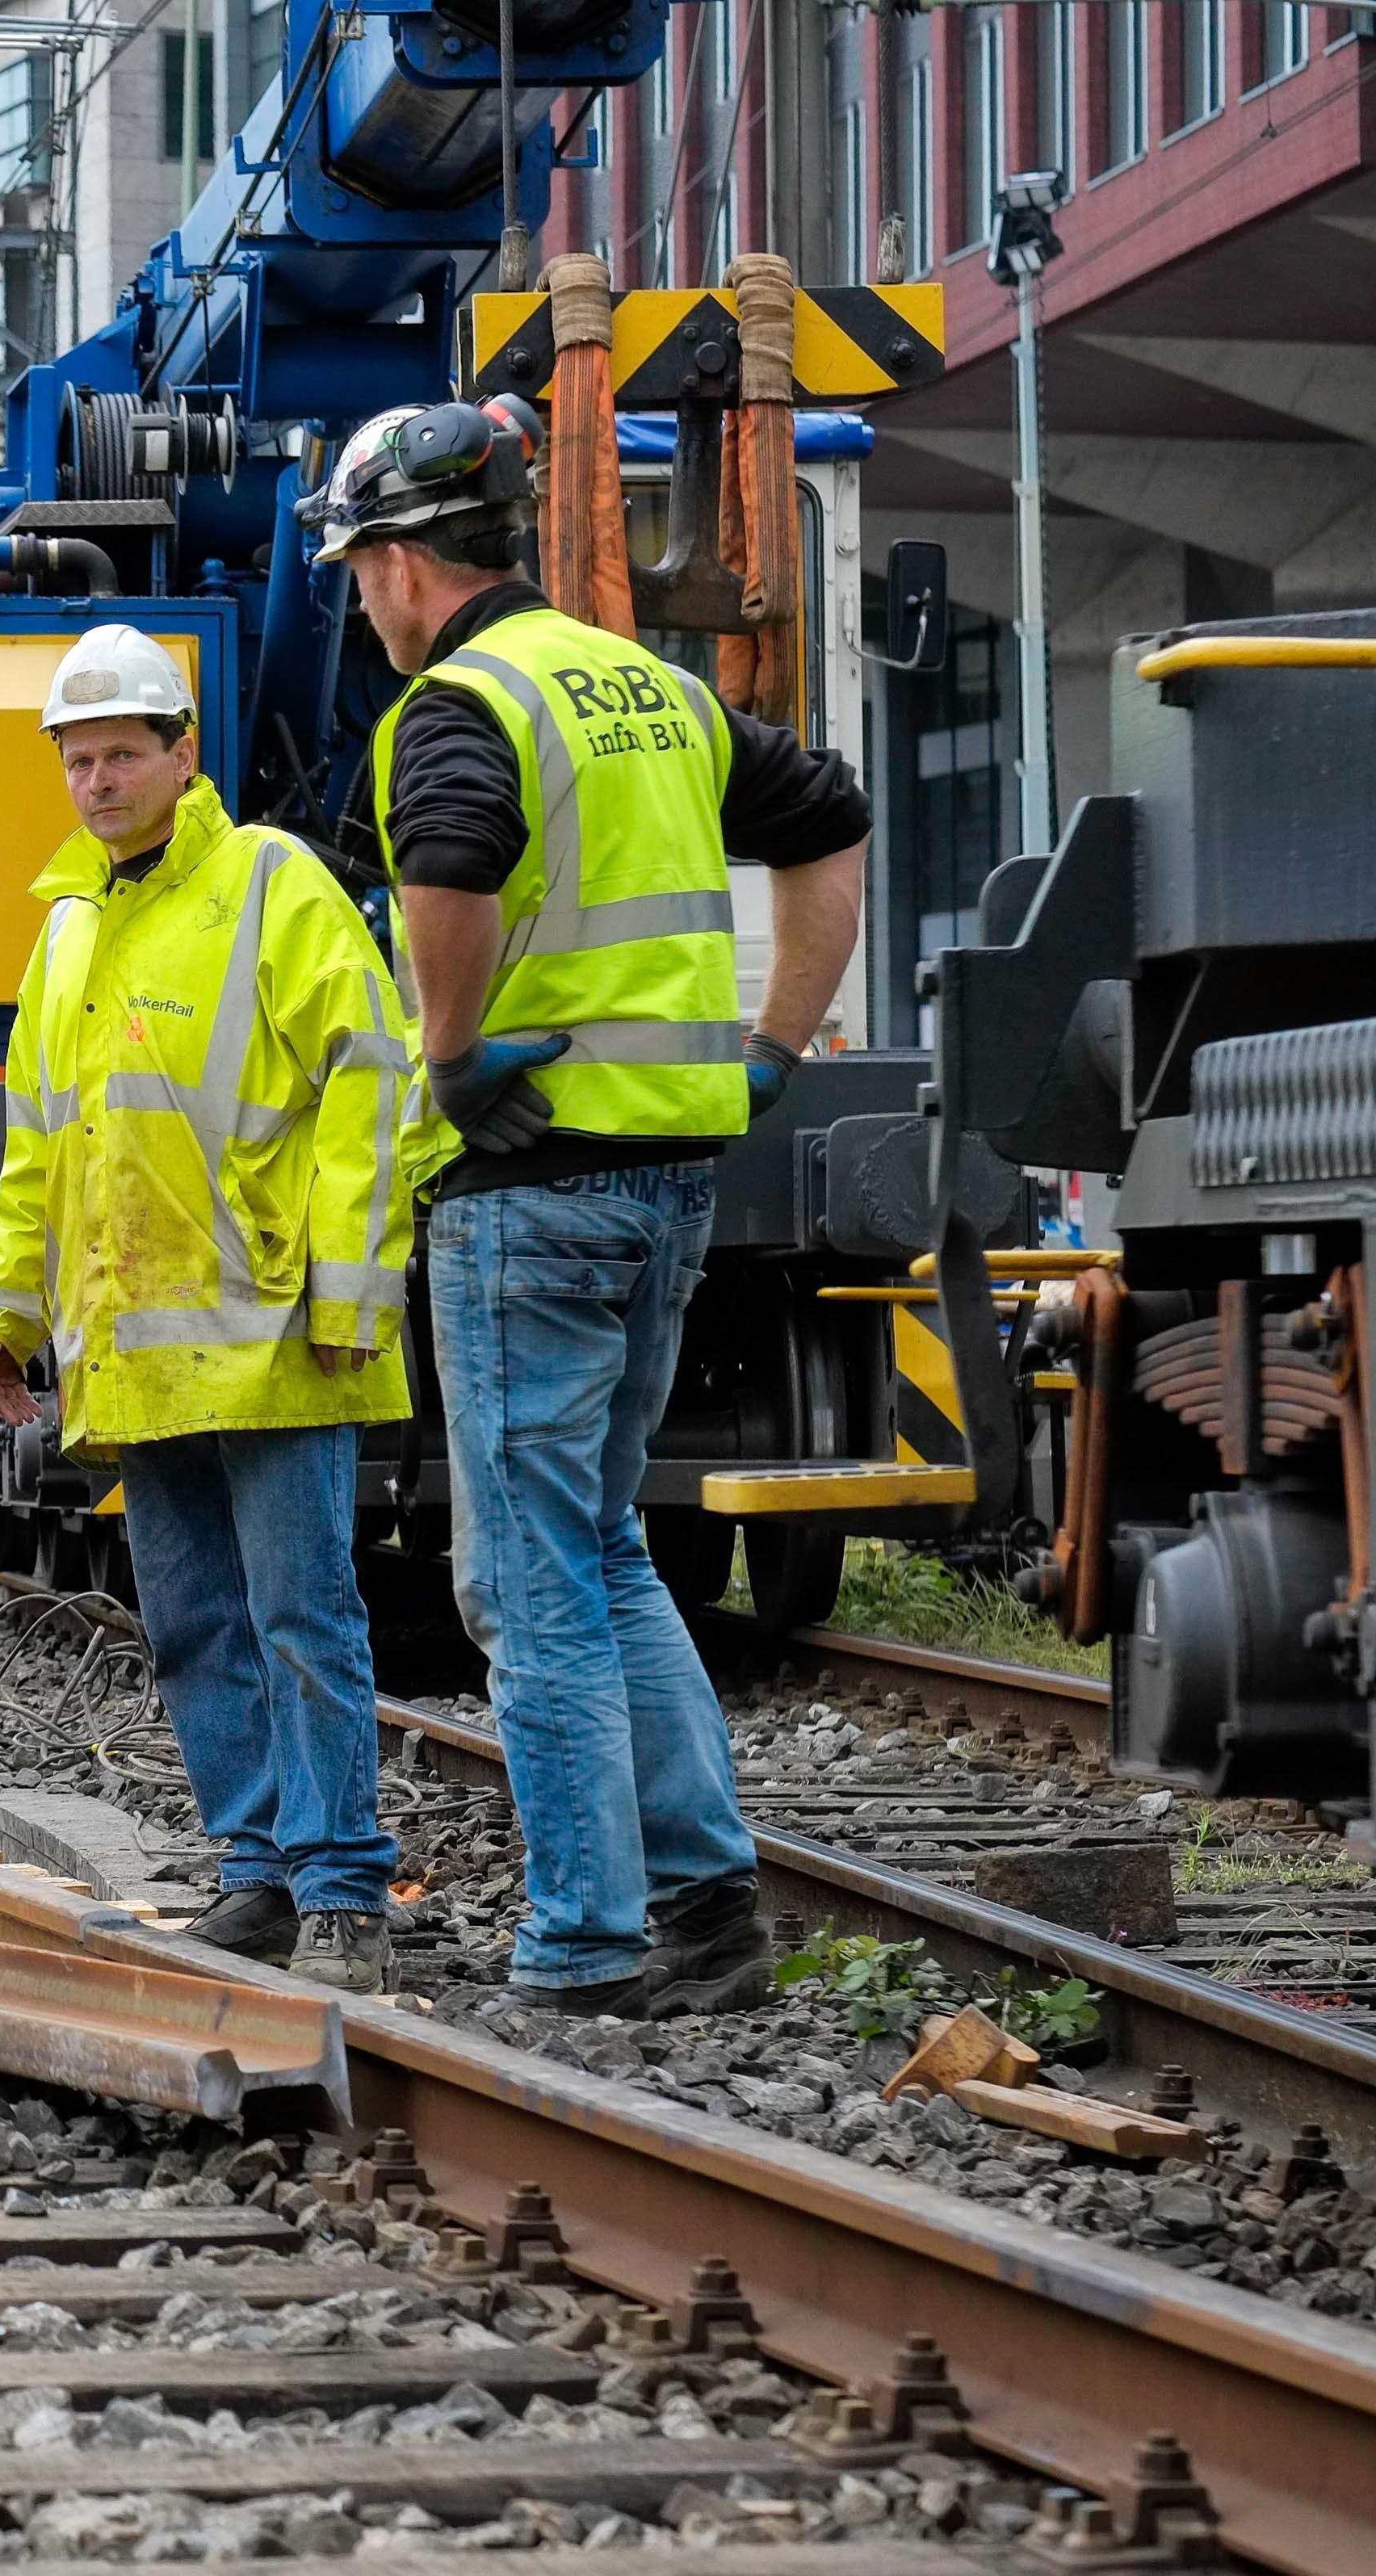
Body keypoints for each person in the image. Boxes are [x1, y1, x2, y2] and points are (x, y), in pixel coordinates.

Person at [314, 397, 869, 2016]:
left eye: (361, 569)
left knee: (528, 1580)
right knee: (604, 1548)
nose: (362, 601)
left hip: (531, 1190)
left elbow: (454, 863)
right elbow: (831, 818)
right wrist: (776, 1046)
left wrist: (456, 1050)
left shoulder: (461, 700)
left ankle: (586, 1939)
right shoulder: (653, 692)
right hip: (672, 1177)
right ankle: (704, 1907)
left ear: (410, 565)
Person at [0, 626, 417, 1993]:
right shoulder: (68, 929)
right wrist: (9, 1313)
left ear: (181, 754)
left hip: (278, 1330)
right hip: (140, 1352)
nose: (98, 779)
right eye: (78, 759)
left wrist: (350, 1281)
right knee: (195, 1625)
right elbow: (41, 1143)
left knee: (304, 1614)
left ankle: (343, 1884)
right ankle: (259, 1871)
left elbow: (370, 1073)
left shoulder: (272, 884)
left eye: (121, 754)